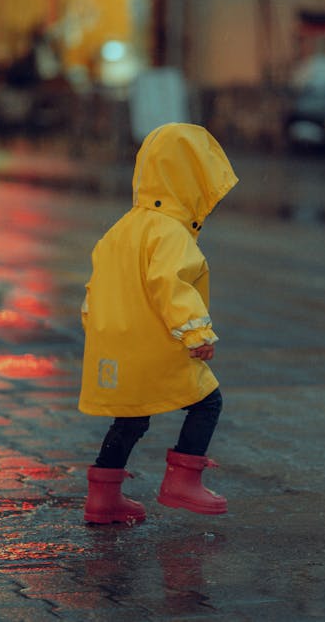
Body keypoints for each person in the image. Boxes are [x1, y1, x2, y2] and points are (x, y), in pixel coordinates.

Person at [79, 122, 238, 524]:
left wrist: (96, 328)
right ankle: (182, 482)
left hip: (120, 343)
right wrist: (196, 333)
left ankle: (102, 499)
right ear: (190, 180)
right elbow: (171, 285)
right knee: (207, 401)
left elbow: (95, 286)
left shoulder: (122, 228)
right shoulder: (170, 233)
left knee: (131, 417)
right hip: (158, 341)